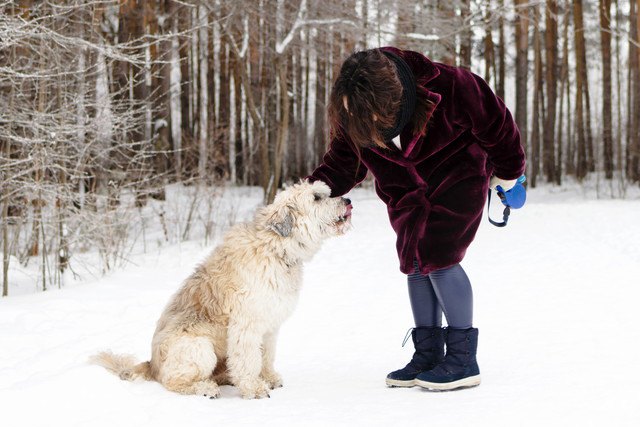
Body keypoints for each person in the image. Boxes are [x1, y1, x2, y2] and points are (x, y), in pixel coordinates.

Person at [306, 47, 525, 391]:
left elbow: (498, 126)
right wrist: (311, 194)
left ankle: (463, 358)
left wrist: (510, 171)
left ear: (394, 97)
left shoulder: (453, 86)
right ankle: (428, 354)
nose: (371, 126)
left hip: (458, 177)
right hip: (404, 190)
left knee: (439, 256)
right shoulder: (354, 108)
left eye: (376, 118)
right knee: (414, 262)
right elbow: (342, 163)